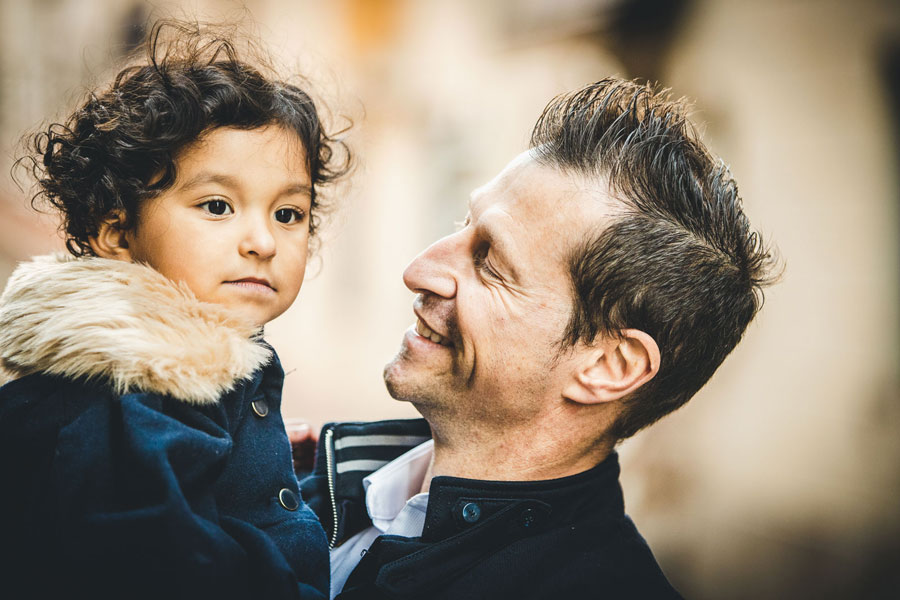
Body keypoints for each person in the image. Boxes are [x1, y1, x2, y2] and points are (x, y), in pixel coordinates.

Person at [299, 77, 777, 599]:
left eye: (491, 263)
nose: (419, 270)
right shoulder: (287, 481)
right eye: (462, 224)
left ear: (608, 365)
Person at [0, 21, 348, 599]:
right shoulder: (145, 382)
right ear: (116, 231)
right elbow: (158, 563)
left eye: (288, 214)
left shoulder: (179, 374)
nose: (262, 241)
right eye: (217, 206)